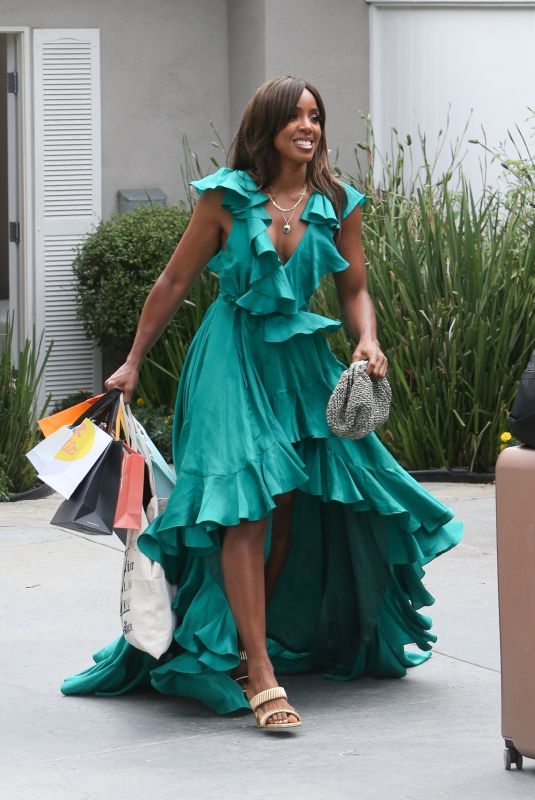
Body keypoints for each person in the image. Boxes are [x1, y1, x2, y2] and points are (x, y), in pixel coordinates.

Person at [61, 76, 462, 731]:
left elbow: (354, 286)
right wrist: (131, 361)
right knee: (245, 511)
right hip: (230, 358)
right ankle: (263, 676)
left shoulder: (336, 202)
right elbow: (173, 280)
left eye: (315, 117)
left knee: (279, 511)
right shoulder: (226, 196)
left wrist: (366, 339)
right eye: (295, 117)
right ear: (267, 126)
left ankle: (251, 650)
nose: (308, 127)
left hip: (299, 364)